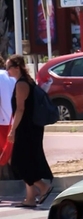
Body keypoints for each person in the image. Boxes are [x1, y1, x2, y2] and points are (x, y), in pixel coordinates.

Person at [6, 55, 54, 208]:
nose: (7, 71)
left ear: (17, 67)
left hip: (26, 128)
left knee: (18, 162)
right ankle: (30, 198)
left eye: (9, 67)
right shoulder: (28, 82)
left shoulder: (21, 84)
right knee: (28, 161)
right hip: (31, 127)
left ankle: (42, 187)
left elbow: (20, 109)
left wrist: (12, 130)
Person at [0, 58, 16, 168]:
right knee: (12, 154)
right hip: (15, 120)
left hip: (2, 123)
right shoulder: (11, 76)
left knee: (5, 156)